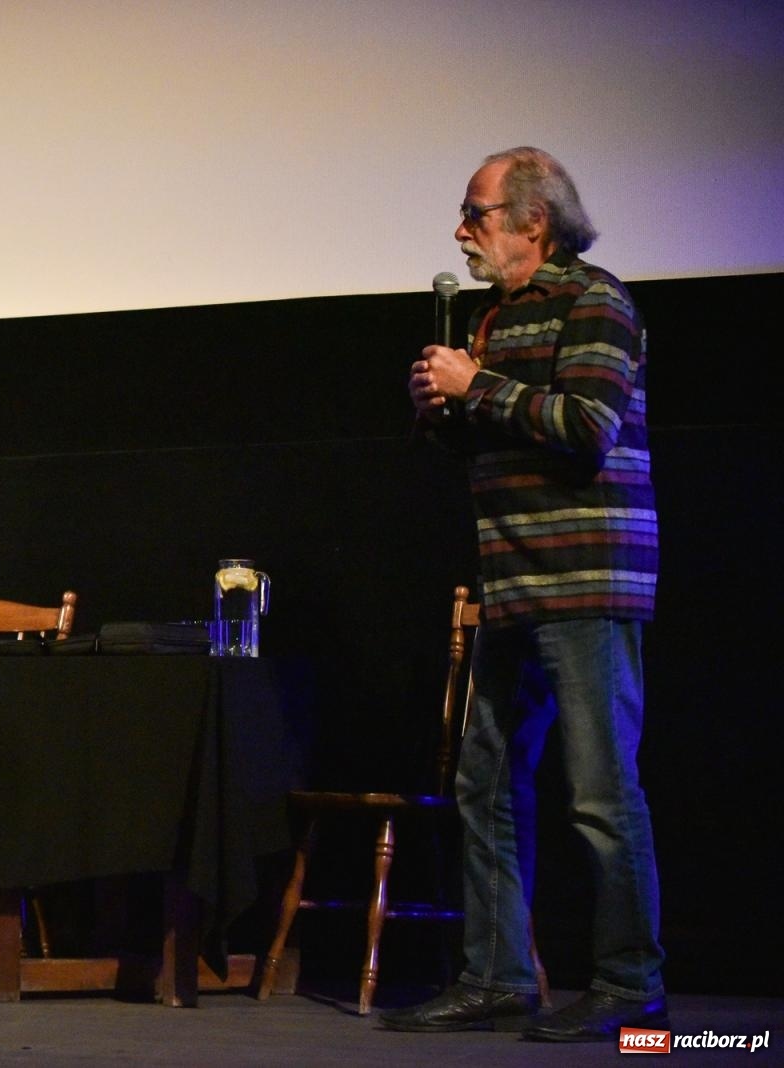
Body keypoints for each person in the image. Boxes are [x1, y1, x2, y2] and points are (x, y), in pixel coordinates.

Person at [383, 147, 665, 1042]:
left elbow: (586, 427)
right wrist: (442, 416)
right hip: (513, 580)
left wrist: (482, 387)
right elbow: (498, 442)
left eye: (477, 213)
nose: (463, 231)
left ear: (533, 220)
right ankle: (498, 976)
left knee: (599, 791)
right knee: (487, 786)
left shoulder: (596, 301)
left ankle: (631, 986)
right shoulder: (496, 318)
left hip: (585, 581)